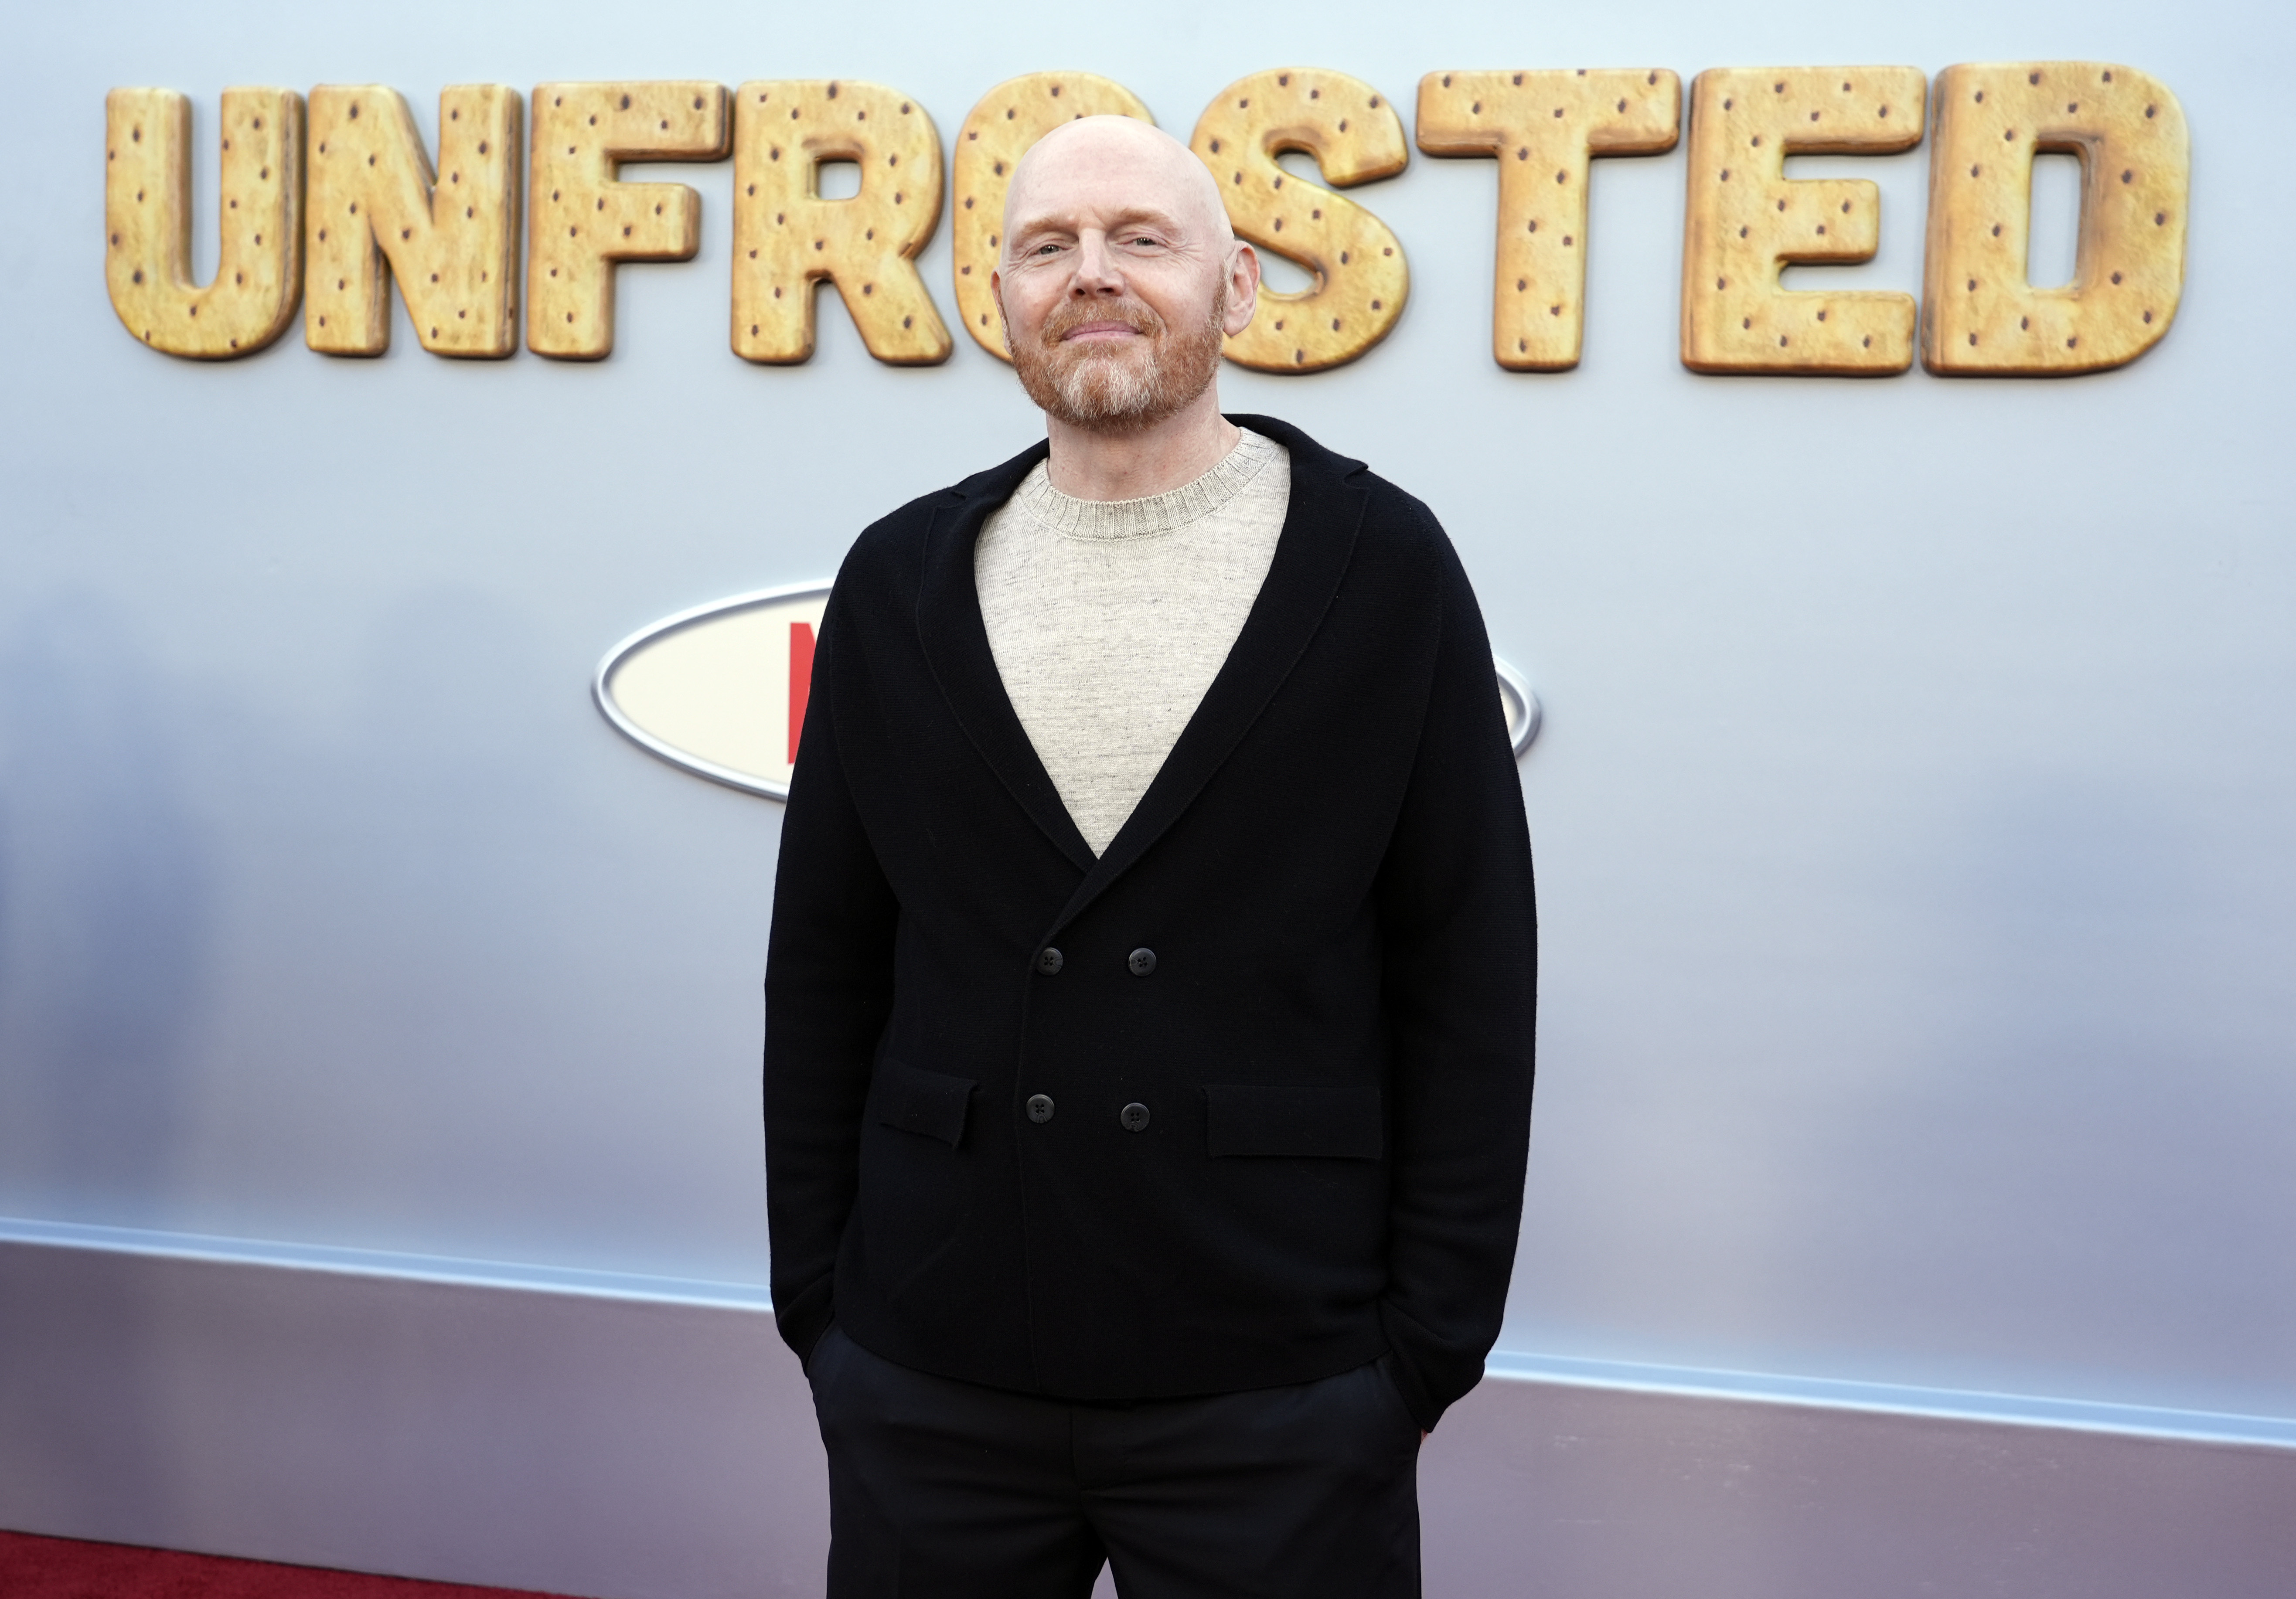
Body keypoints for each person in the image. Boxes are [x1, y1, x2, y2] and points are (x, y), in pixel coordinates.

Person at [764, 114, 1536, 1599]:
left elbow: (1467, 969)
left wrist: (1421, 1352)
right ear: (999, 300)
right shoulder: (895, 579)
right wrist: (823, 1312)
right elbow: (826, 968)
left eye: (1141, 239)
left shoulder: (1382, 568)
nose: (1090, 275)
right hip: (933, 1365)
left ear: (1237, 287)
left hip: (1278, 1374)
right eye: (1046, 246)